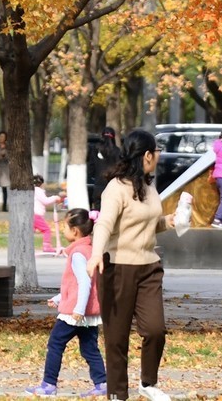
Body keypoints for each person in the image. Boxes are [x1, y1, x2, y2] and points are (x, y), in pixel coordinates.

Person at [87, 127, 172, 401]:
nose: (158, 156)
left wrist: (168, 222)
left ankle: (147, 383)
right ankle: (117, 394)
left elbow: (144, 223)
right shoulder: (116, 189)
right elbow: (104, 224)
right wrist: (96, 254)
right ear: (147, 155)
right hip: (117, 268)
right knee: (117, 338)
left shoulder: (148, 185)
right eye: (156, 151)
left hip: (149, 267)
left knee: (155, 329)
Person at [25, 208, 107, 398]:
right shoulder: (90, 250)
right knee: (89, 348)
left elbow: (85, 282)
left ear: (75, 231)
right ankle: (102, 383)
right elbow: (76, 285)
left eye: (64, 226)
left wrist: (78, 308)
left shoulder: (78, 253)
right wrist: (59, 298)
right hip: (89, 312)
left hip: (75, 313)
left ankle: (49, 384)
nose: (62, 230)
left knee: (55, 343)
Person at [87, 127, 119, 211]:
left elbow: (91, 168)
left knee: (99, 215)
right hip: (113, 189)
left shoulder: (95, 150)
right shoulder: (117, 151)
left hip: (98, 188)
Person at [33, 175, 62, 253]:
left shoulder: (32, 191)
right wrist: (55, 197)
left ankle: (24, 246)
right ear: (42, 184)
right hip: (36, 215)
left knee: (30, 232)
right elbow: (45, 201)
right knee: (46, 230)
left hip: (32, 214)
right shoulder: (38, 191)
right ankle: (46, 246)